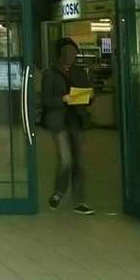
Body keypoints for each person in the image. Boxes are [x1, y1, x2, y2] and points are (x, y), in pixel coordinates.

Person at [41, 37, 94, 215]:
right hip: (59, 122)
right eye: (67, 53)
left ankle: (80, 201)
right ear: (60, 55)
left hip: (76, 120)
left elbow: (89, 95)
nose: (71, 56)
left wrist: (89, 96)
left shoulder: (80, 73)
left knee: (79, 162)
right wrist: (62, 99)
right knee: (66, 160)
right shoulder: (50, 74)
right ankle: (59, 192)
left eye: (73, 53)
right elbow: (46, 100)